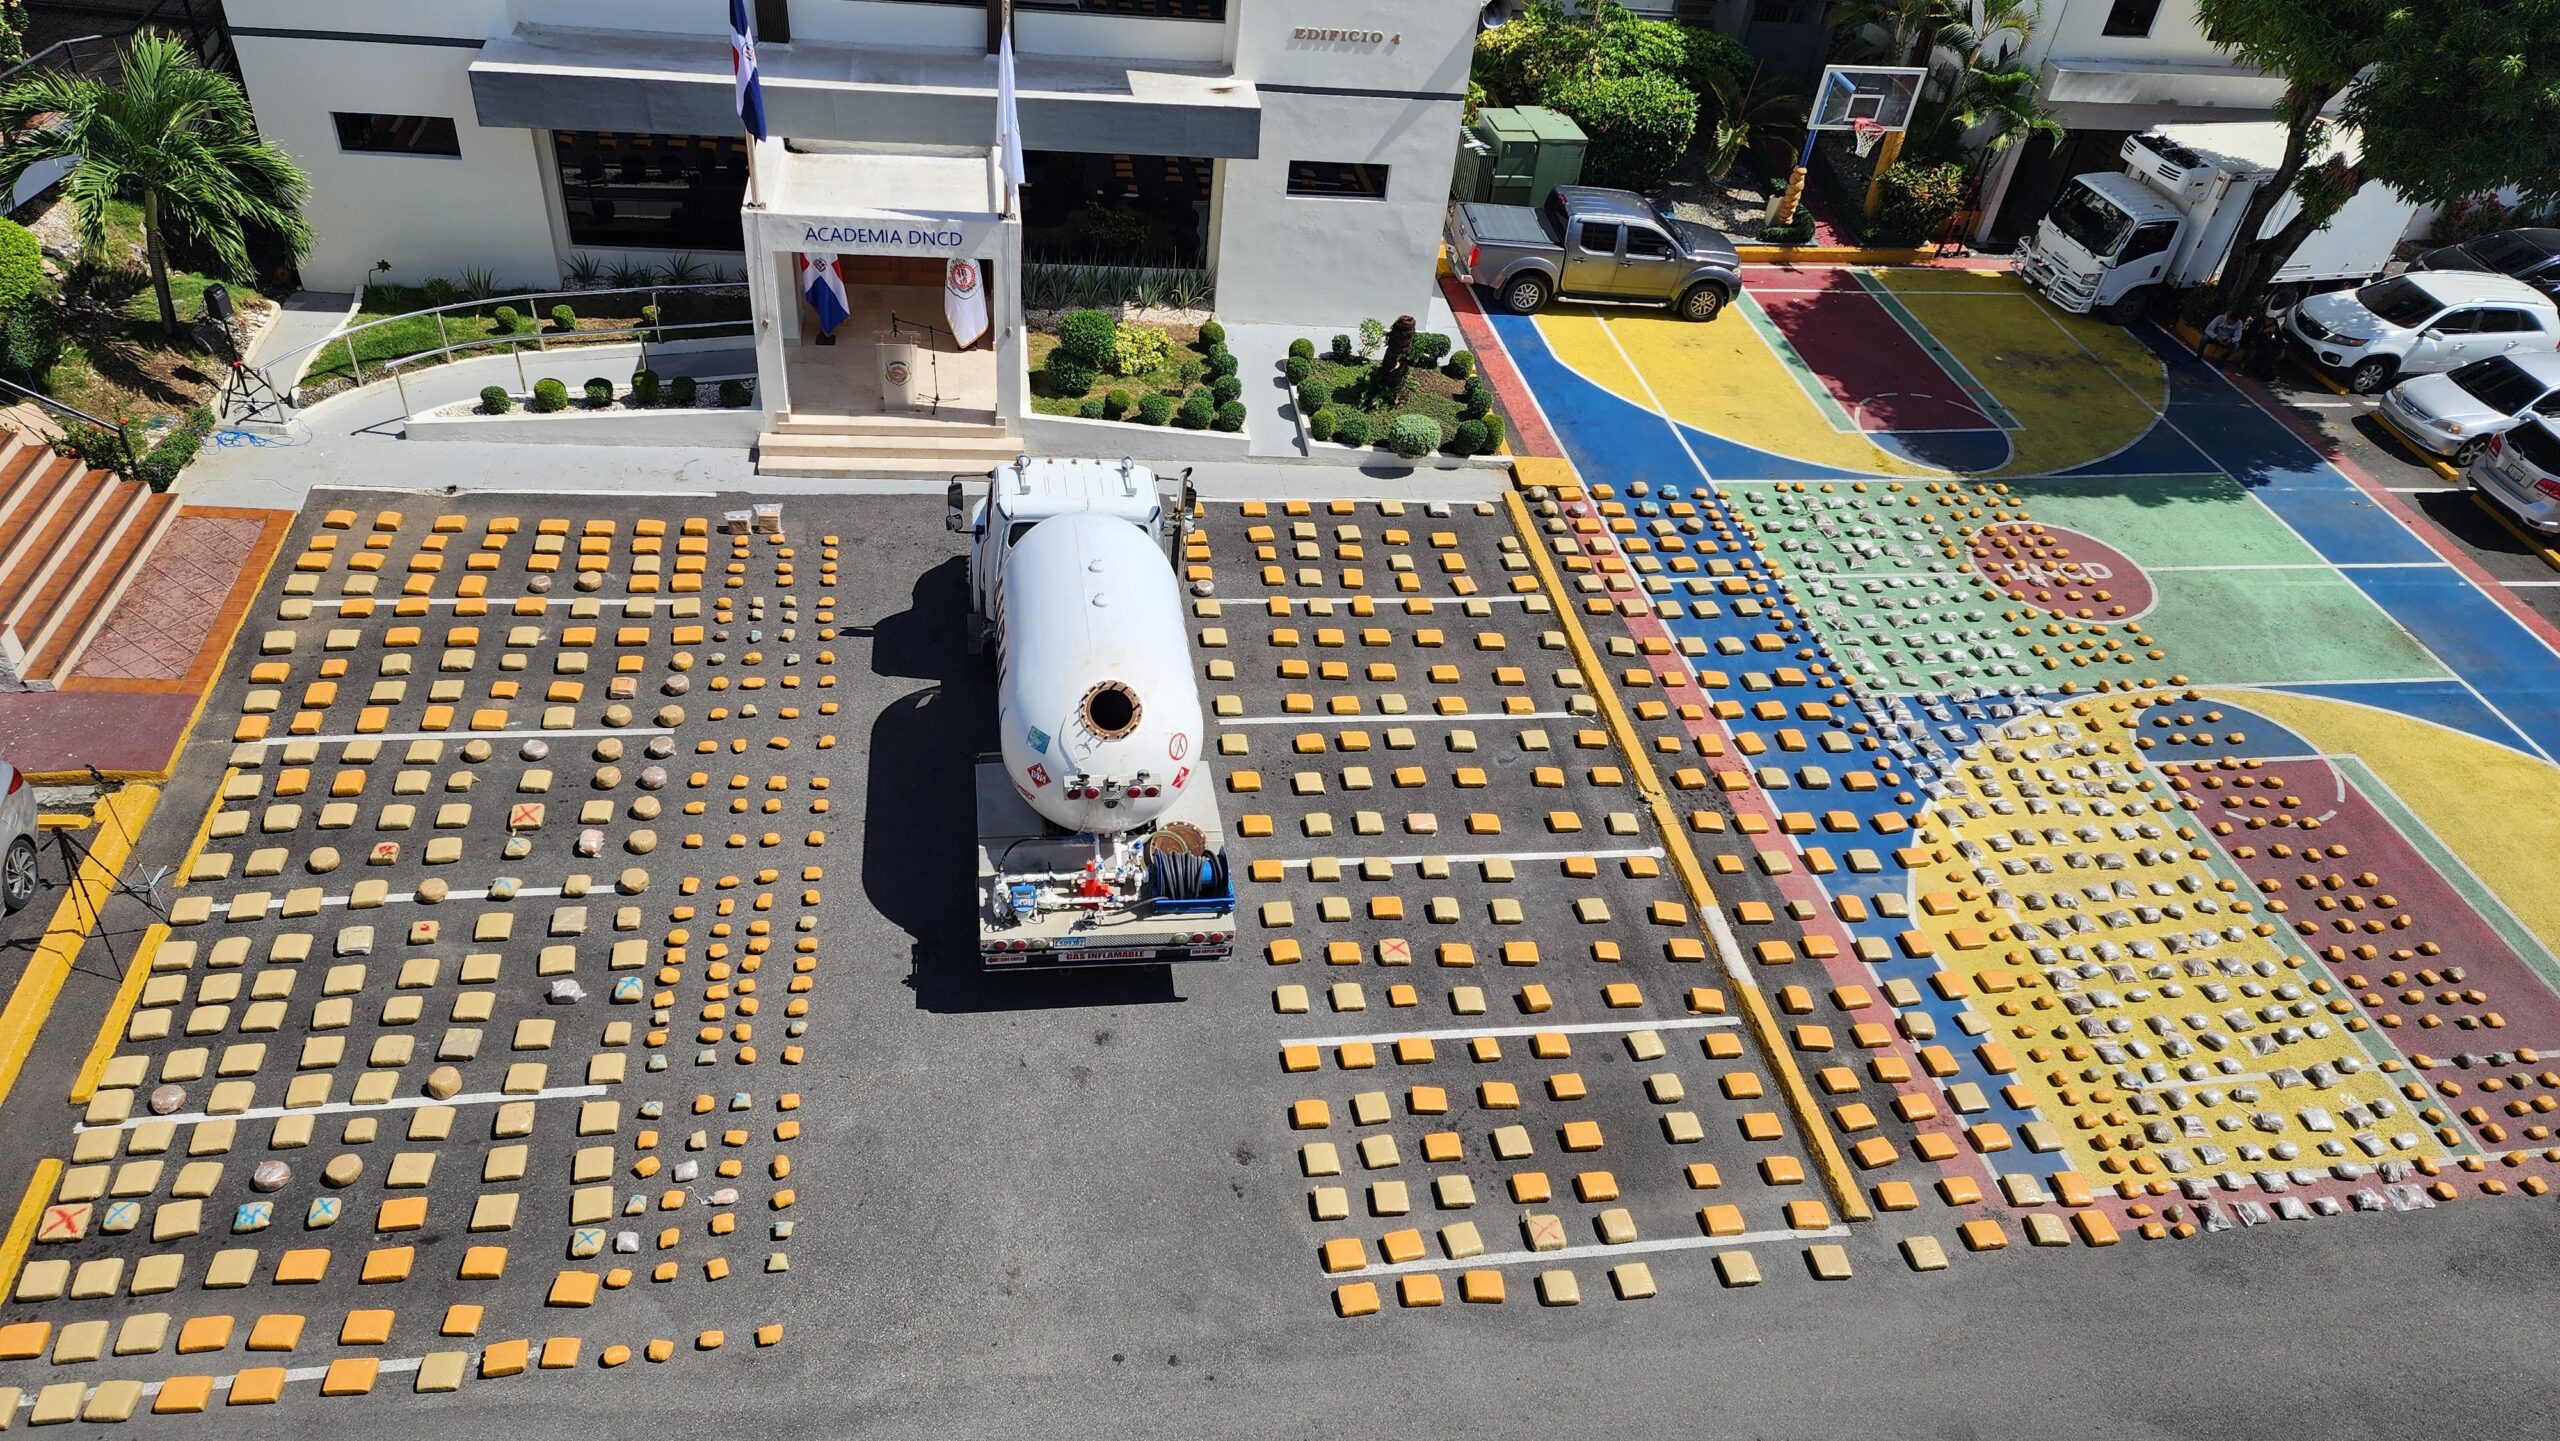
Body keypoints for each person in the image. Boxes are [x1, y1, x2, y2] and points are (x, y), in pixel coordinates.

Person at [2239, 313, 2282, 382]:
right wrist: (2265, 331)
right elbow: (2251, 333)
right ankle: (2243, 366)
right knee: (2252, 347)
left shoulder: (2274, 325)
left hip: (2264, 343)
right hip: (2253, 339)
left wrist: (2274, 335)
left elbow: (2278, 339)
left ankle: (2265, 371)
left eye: (2271, 320)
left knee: (2270, 351)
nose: (2268, 321)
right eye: (2267, 319)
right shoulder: (2258, 322)